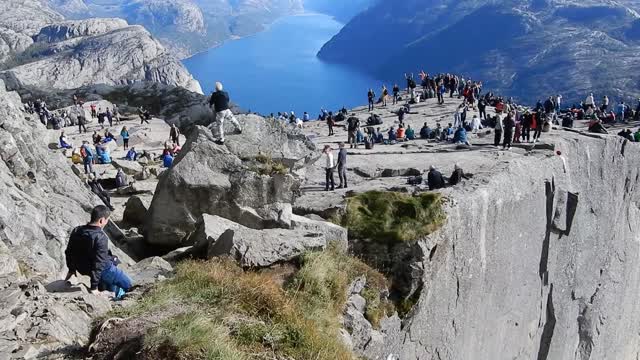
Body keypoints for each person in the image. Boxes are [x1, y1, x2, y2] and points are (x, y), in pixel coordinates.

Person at [64, 205, 131, 299]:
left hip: (84, 268)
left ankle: (110, 290)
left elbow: (68, 252)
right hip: (104, 269)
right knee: (130, 285)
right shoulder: (100, 237)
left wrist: (71, 270)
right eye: (107, 220)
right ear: (101, 220)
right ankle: (117, 295)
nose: (106, 222)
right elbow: (99, 263)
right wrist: (93, 287)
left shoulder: (76, 230)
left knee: (113, 260)